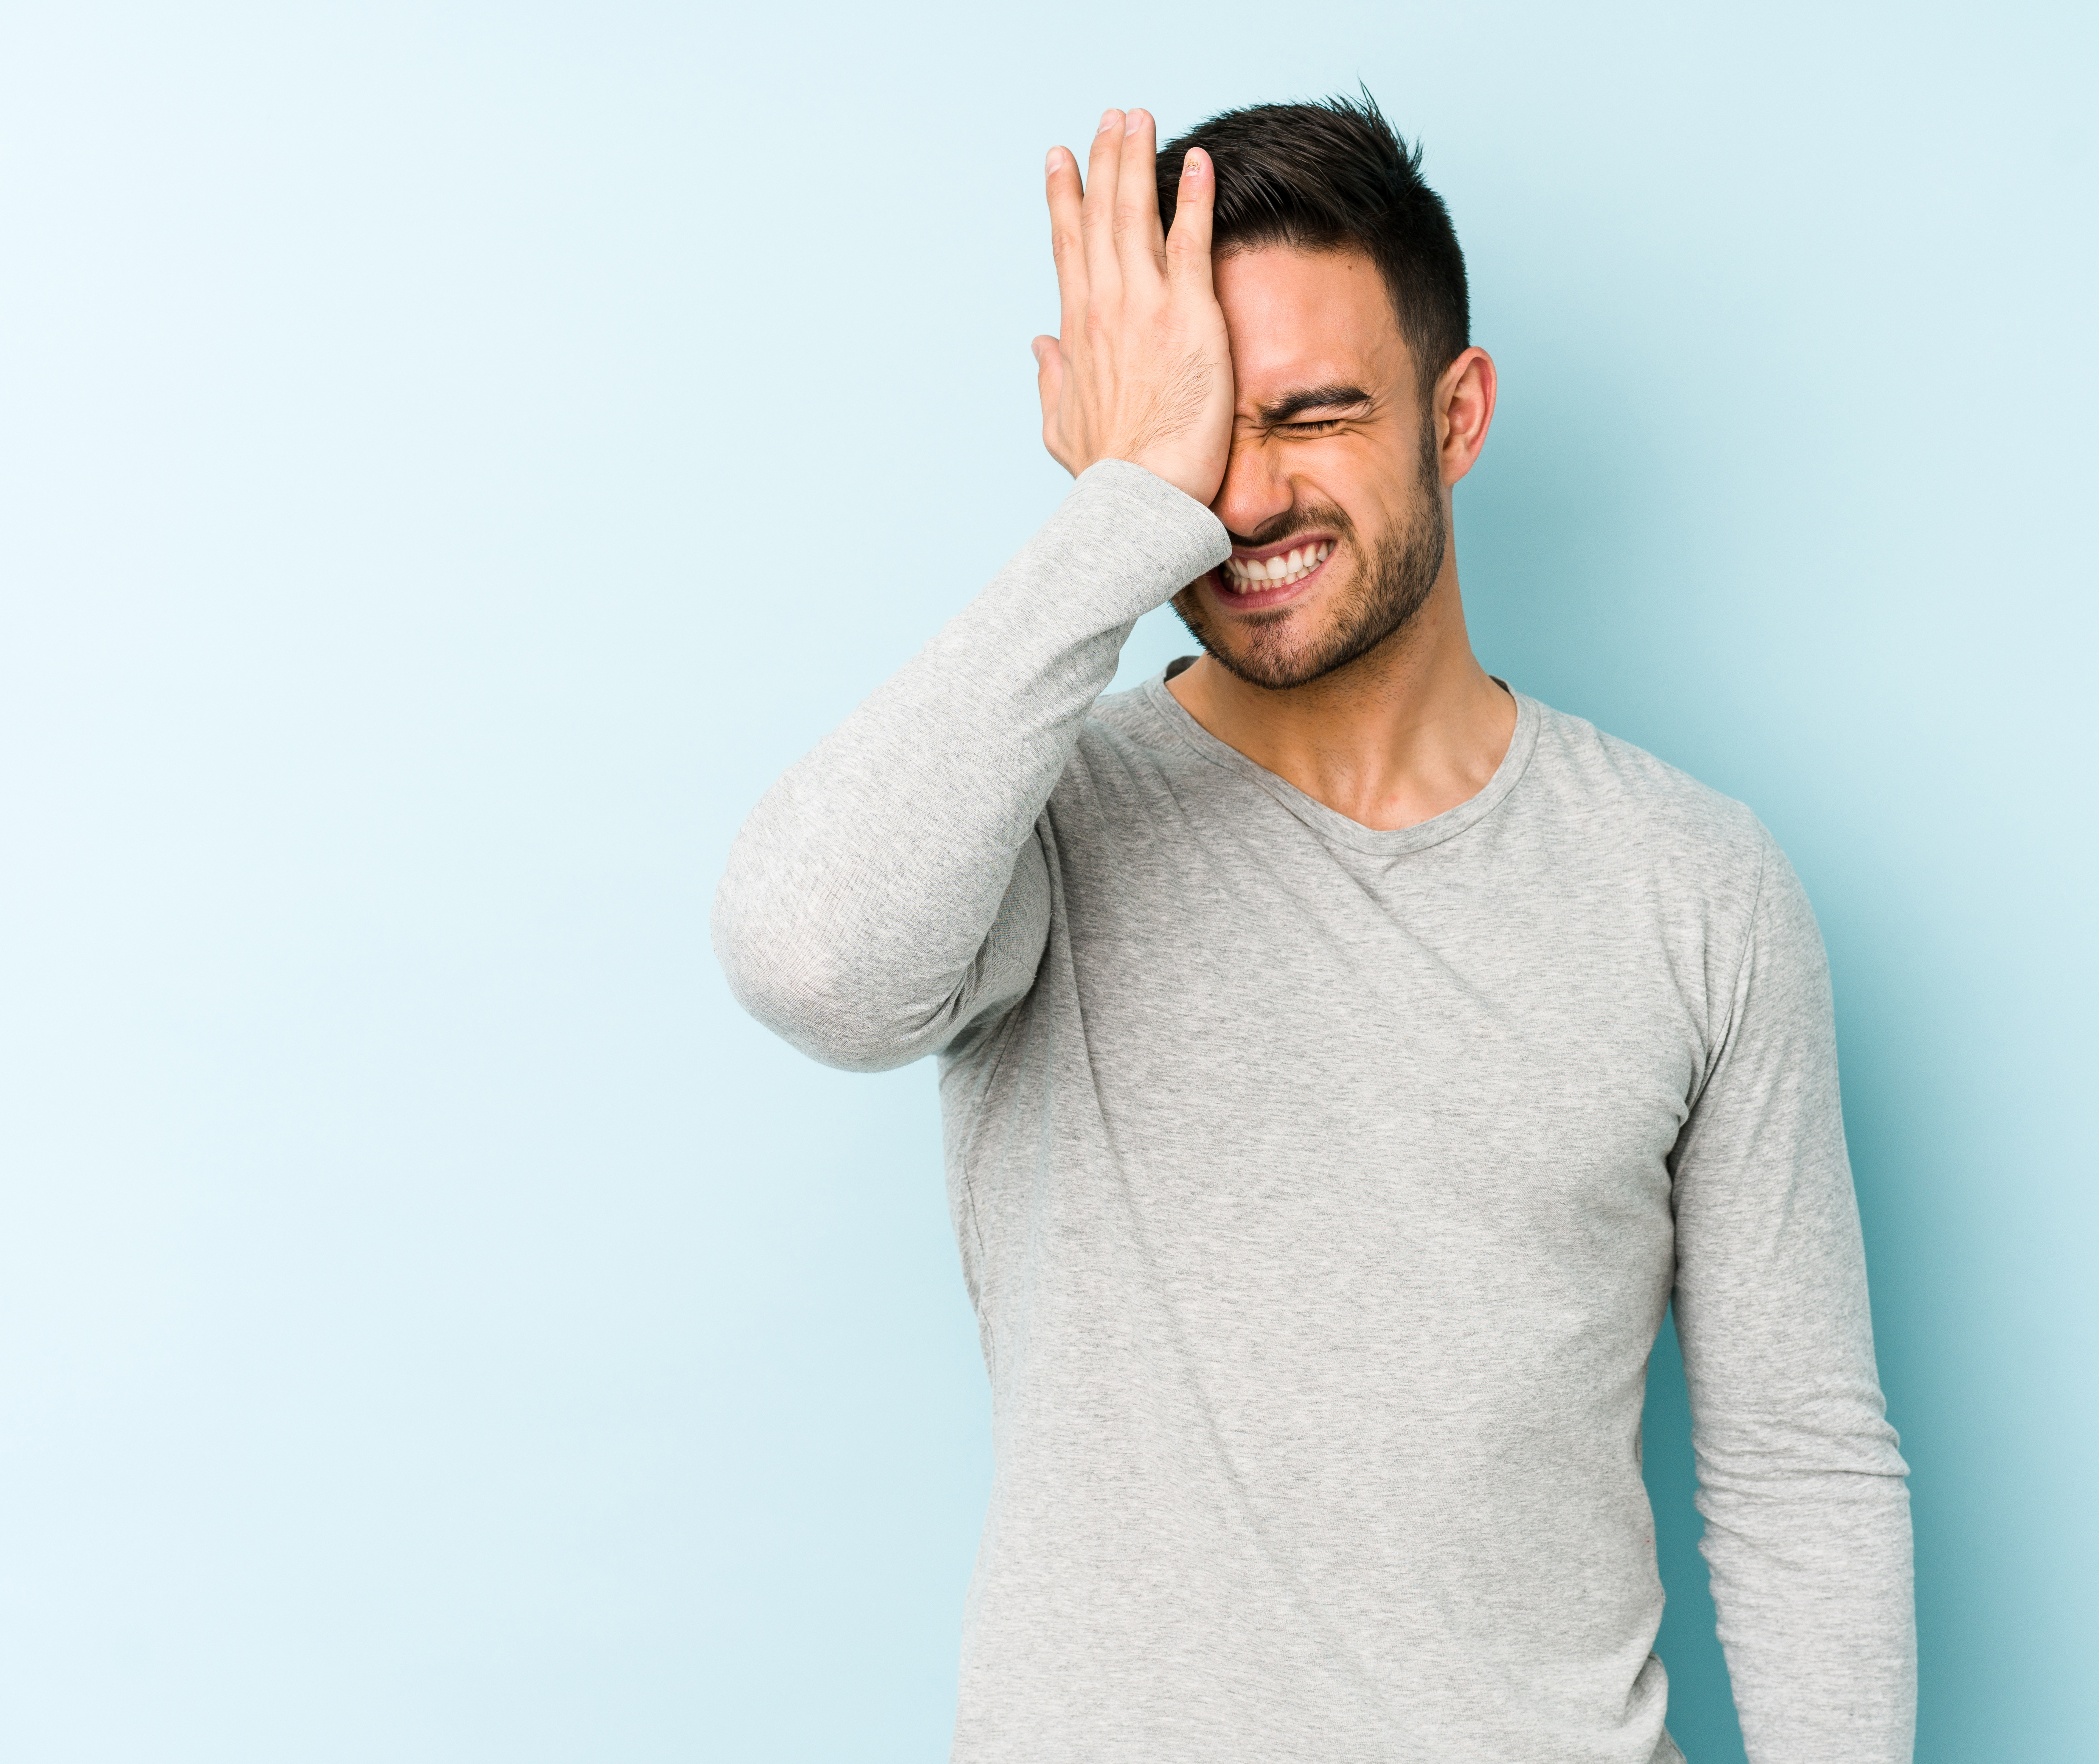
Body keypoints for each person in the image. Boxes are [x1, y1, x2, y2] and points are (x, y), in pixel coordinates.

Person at [713, 95, 1913, 1764]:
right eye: (1205, 433)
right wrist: (1118, 513)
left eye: (1315, 416)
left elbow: (1799, 1464)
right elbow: (811, 959)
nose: (1249, 498)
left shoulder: (1694, 889)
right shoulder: (1040, 829)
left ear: (1458, 413)